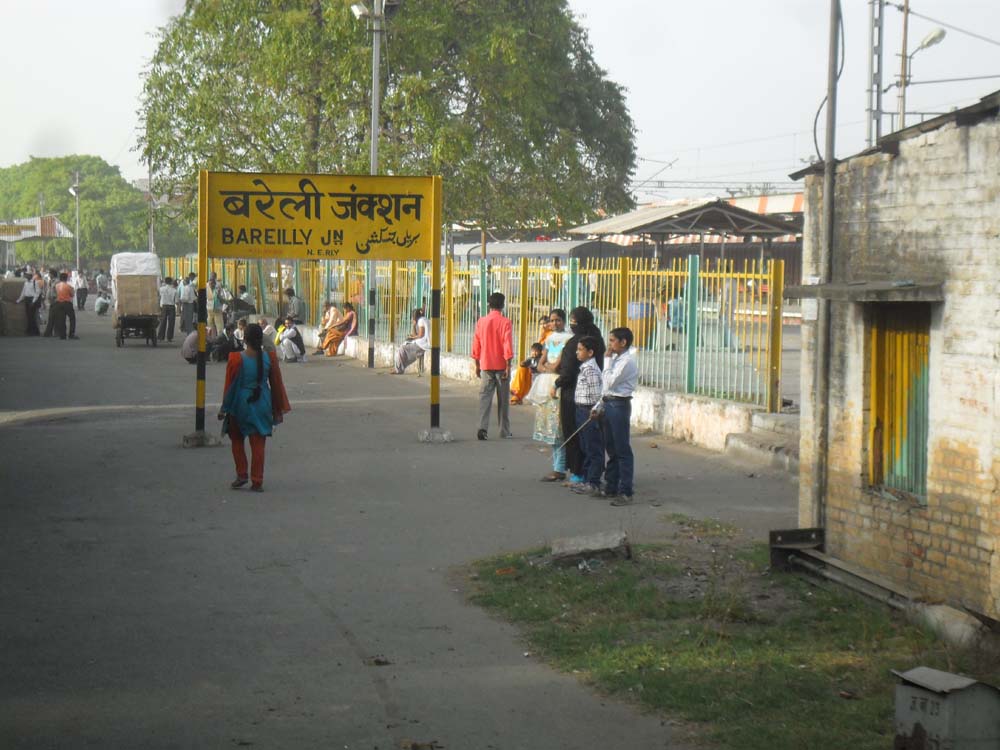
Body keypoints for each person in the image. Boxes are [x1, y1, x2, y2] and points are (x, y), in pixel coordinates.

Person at [219, 323, 292, 492]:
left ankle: (242, 474)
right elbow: (276, 385)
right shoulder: (270, 358)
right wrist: (277, 407)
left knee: (237, 439)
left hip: (241, 404)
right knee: (258, 443)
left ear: (244, 339)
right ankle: (257, 480)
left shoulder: (236, 359)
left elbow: (229, 386)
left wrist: (224, 408)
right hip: (262, 403)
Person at [555, 306, 604, 486]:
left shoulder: (575, 344)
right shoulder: (597, 340)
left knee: (579, 438)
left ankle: (581, 474)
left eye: (573, 321)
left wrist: (556, 383)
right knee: (588, 441)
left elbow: (566, 374)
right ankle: (589, 474)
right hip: (586, 399)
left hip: (577, 400)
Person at [593, 327, 638, 506]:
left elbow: (609, 381)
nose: (609, 344)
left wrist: (606, 360)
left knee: (622, 449)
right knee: (611, 447)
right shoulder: (617, 359)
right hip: (609, 402)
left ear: (623, 342)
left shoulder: (626, 362)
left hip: (619, 405)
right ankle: (611, 485)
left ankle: (626, 491)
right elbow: (606, 389)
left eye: (612, 340)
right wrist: (599, 405)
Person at [530, 309, 573, 480]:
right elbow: (540, 364)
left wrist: (548, 367)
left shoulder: (568, 340)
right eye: (552, 320)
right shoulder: (549, 339)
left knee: (558, 427)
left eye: (558, 320)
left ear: (564, 321)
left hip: (558, 385)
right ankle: (557, 467)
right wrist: (547, 367)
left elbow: (555, 365)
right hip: (547, 384)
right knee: (550, 427)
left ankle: (559, 468)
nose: (555, 324)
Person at [471, 292, 514, 440]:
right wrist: (508, 365)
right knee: (503, 400)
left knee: (484, 399)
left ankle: (482, 429)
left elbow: (476, 343)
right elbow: (507, 344)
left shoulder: (481, 321)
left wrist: (477, 363)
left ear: (489, 305)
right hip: (501, 365)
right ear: (503, 305)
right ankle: (504, 431)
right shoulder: (505, 322)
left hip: (486, 364)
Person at [570, 336, 605, 497]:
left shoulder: (590, 369)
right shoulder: (585, 366)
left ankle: (594, 482)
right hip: (581, 410)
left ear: (590, 352)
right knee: (585, 446)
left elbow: (597, 393)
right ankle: (587, 479)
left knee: (593, 448)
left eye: (580, 349)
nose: (577, 352)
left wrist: (596, 410)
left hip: (588, 411)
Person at [510, 315, 552, 404]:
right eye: (541, 324)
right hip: (536, 364)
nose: (543, 326)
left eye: (545, 323)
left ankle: (517, 395)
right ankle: (517, 395)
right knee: (522, 368)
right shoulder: (542, 337)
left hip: (544, 366)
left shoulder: (551, 336)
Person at [392, 308, 430, 374]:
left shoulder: (421, 321)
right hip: (422, 343)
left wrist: (413, 337)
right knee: (404, 346)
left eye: (413, 316)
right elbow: (416, 334)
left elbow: (421, 334)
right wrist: (414, 326)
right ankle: (399, 368)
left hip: (422, 345)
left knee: (402, 348)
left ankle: (398, 369)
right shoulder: (424, 319)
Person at [52, 272, 77, 339]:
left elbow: (55, 294)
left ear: (60, 278)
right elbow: (72, 295)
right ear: (66, 278)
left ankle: (62, 335)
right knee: (72, 318)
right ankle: (71, 334)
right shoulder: (68, 286)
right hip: (67, 303)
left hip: (59, 303)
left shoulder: (57, 286)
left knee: (61, 319)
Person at [157, 276, 178, 342]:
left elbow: (159, 297)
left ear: (165, 282)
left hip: (164, 306)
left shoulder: (161, 289)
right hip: (171, 306)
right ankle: (169, 337)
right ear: (171, 282)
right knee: (171, 322)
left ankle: (161, 337)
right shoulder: (174, 290)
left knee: (163, 321)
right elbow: (176, 301)